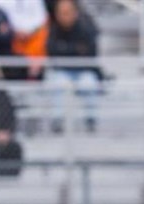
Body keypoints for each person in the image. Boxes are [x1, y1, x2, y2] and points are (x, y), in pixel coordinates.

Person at [45, 0, 102, 132]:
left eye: (67, 12)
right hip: (62, 71)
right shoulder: (54, 29)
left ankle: (91, 120)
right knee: (59, 83)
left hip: (83, 71)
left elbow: (90, 51)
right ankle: (58, 121)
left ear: (75, 12)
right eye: (61, 13)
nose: (64, 16)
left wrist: (64, 49)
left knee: (89, 83)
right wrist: (75, 49)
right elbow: (51, 51)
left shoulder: (86, 27)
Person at [0, 0, 49, 80]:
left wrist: (29, 32)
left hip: (33, 38)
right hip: (9, 40)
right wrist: (14, 31)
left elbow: (41, 18)